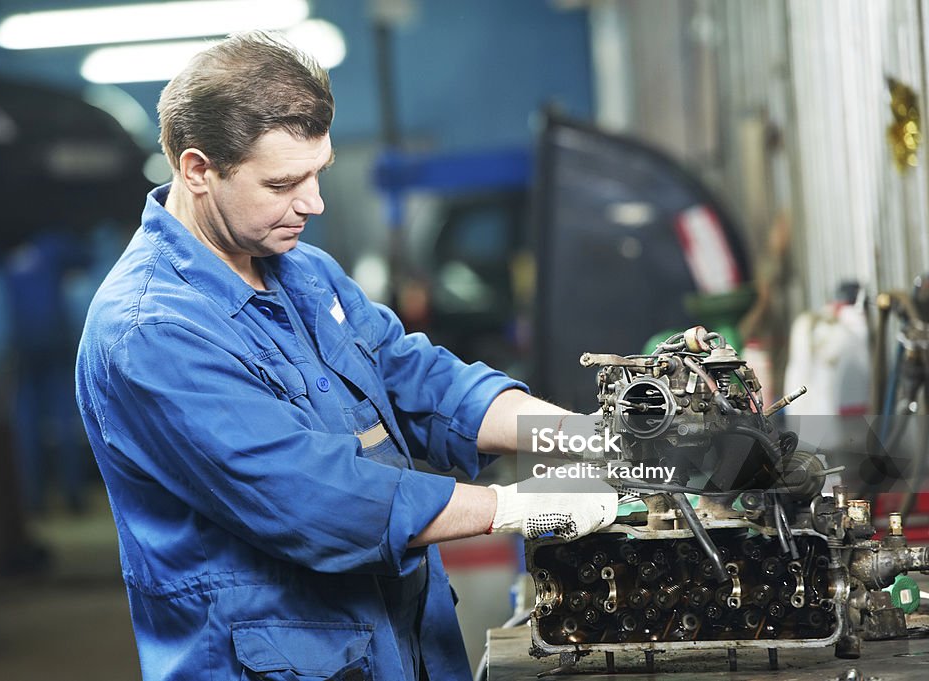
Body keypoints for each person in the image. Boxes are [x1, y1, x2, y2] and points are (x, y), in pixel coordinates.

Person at [75, 32, 616, 681]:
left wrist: (580, 435)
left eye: (318, 173)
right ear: (197, 170)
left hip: (406, 643)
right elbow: (313, 496)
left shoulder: (304, 271)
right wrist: (516, 507)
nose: (313, 203)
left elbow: (422, 382)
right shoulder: (149, 333)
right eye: (283, 182)